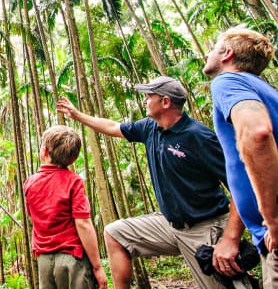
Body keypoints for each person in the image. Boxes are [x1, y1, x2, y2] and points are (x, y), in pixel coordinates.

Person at [57, 77, 246, 289]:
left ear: (165, 102)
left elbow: (241, 188)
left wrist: (230, 239)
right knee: (116, 233)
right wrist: (77, 115)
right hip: (169, 225)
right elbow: (113, 126)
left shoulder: (198, 136)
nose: (145, 100)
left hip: (205, 228)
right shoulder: (150, 127)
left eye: (149, 96)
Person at [203, 27, 278, 288]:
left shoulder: (227, 82)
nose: (206, 55)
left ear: (227, 54)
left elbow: (257, 133)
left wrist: (272, 219)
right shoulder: (264, 90)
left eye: (213, 48)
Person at [24, 125, 107, 289]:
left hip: (44, 261)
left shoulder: (30, 183)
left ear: (45, 152)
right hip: (72, 260)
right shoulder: (73, 181)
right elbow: (83, 224)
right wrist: (97, 267)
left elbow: (32, 216)